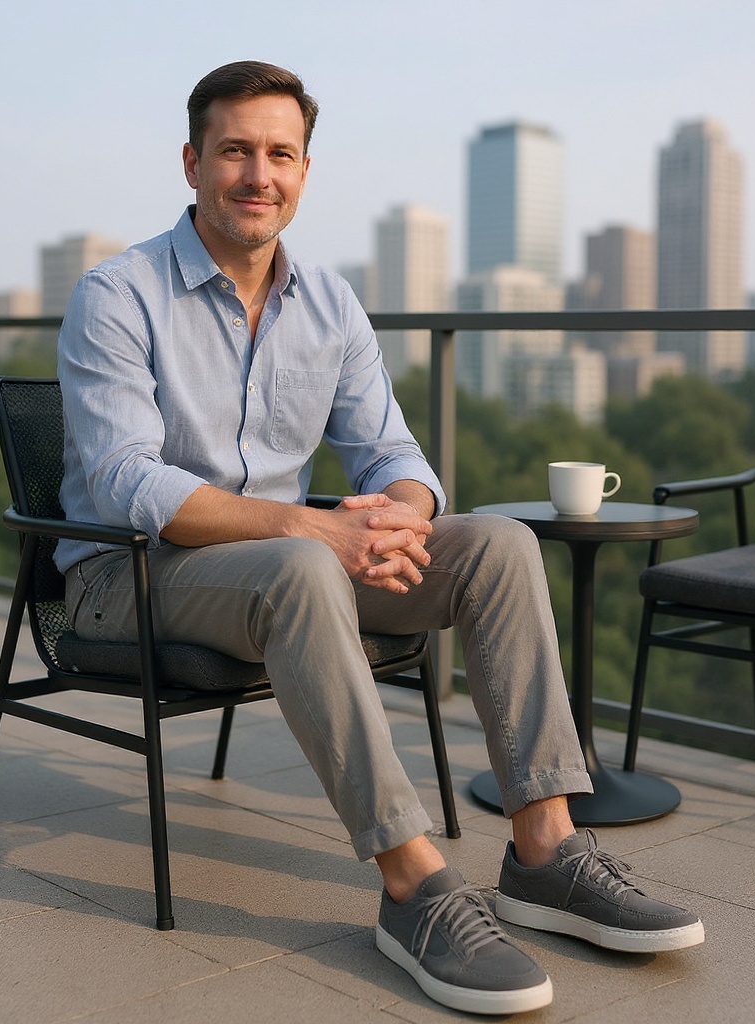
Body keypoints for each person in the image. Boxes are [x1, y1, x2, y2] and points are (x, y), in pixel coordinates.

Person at [55, 60, 704, 1016]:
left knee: (496, 545)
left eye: (280, 154)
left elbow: (392, 450)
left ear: (306, 172)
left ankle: (545, 850)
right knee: (299, 565)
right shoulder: (117, 294)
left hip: (278, 563)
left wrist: (402, 515)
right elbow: (125, 482)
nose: (257, 174)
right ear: (192, 163)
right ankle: (414, 888)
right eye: (235, 151)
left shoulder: (329, 302)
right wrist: (313, 527)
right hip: (130, 573)